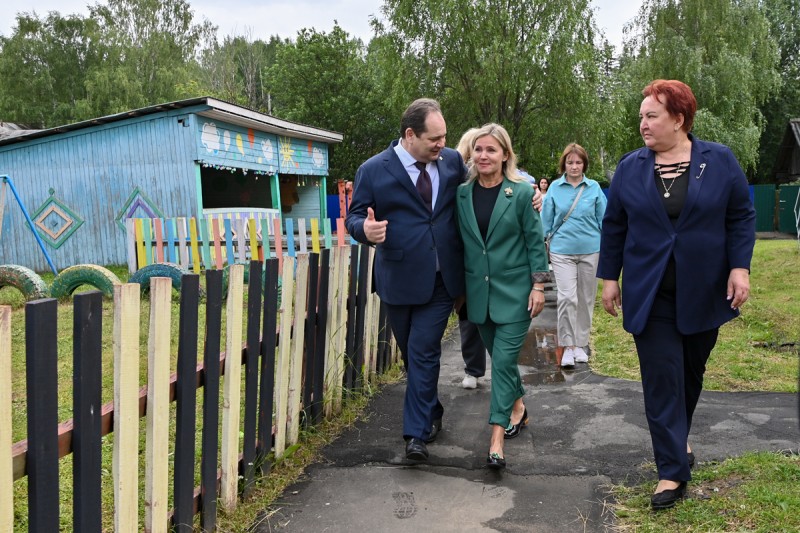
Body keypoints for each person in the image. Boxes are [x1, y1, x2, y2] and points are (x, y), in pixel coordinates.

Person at [597, 79, 755, 510]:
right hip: (651, 293)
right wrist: (609, 277)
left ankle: (677, 438)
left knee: (689, 374)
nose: (643, 124)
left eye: (652, 116)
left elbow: (741, 215)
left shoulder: (718, 160)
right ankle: (671, 470)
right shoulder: (630, 167)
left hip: (704, 289)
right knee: (662, 379)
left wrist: (739, 267)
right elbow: (615, 224)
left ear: (679, 119)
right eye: (642, 117)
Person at [346, 98, 465, 462]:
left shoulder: (452, 162)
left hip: (442, 279)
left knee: (423, 350)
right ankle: (432, 410)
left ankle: (415, 435)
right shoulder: (373, 170)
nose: (443, 144)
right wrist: (365, 230)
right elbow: (354, 217)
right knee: (414, 358)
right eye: (435, 138)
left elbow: (479, 192)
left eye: (444, 136)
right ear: (410, 135)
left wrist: (525, 195)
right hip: (398, 279)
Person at [455, 123, 549, 470]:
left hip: (516, 294)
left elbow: (534, 242)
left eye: (491, 150)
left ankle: (496, 439)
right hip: (478, 297)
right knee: (504, 362)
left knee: (503, 364)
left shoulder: (521, 193)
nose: (483, 156)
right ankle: (519, 408)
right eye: (478, 149)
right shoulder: (462, 194)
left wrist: (538, 286)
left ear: (505, 155)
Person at [541, 144, 606, 368]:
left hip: (591, 250)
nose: (574, 166)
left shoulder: (594, 188)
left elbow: (604, 220)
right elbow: (545, 222)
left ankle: (580, 344)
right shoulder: (555, 188)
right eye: (570, 162)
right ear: (564, 164)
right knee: (567, 298)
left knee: (586, 299)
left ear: (584, 165)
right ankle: (567, 346)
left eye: (578, 162)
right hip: (562, 252)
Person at [455, 128, 488, 390]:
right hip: (465, 259)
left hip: (494, 260)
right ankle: (473, 369)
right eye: (476, 150)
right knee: (469, 318)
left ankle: (500, 370)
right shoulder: (456, 183)